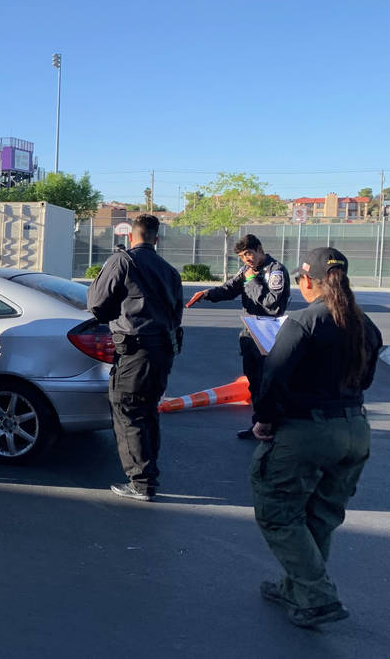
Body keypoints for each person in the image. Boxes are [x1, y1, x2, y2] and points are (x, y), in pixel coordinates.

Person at [250, 247, 381, 628]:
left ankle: (317, 597)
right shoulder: (364, 324)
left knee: (277, 512)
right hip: (355, 429)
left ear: (307, 281)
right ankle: (297, 589)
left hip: (308, 431)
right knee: (320, 515)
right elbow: (367, 379)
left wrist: (265, 420)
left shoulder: (305, 321)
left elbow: (273, 378)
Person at [87, 214, 183, 502]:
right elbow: (176, 315)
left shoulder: (123, 261)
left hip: (135, 350)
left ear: (132, 236)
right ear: (156, 238)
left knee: (128, 411)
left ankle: (141, 483)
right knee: (147, 410)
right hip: (163, 349)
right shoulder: (169, 271)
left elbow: (97, 305)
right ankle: (148, 473)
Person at [186, 234, 290, 439]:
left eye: (249, 253)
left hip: (269, 332)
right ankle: (259, 424)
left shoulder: (275, 271)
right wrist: (207, 294)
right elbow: (229, 289)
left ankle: (273, 425)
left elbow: (272, 304)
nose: (246, 259)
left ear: (260, 249)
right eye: (243, 256)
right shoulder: (247, 271)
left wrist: (252, 280)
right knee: (254, 382)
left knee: (267, 383)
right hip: (250, 332)